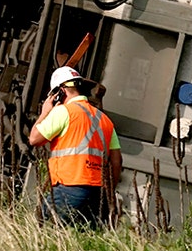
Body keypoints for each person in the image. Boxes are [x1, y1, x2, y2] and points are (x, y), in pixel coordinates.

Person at [28, 66, 122, 228]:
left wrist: (45, 112)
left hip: (69, 188)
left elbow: (34, 139)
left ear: (60, 92)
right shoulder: (105, 120)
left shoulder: (63, 112)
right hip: (98, 194)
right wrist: (109, 194)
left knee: (45, 233)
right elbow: (116, 162)